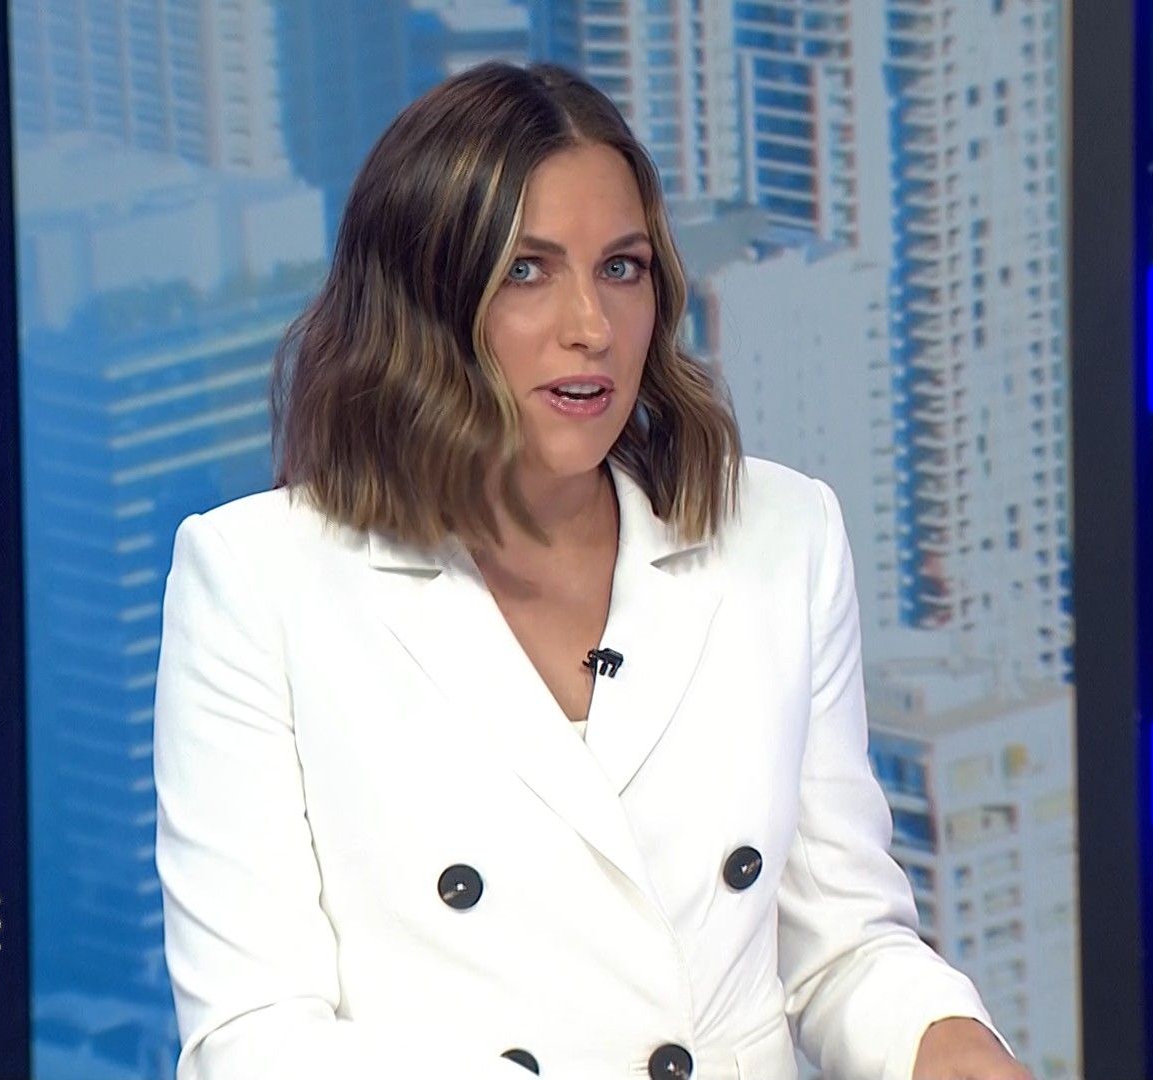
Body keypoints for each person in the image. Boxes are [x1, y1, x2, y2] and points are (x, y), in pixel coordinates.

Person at [152, 60, 1030, 1080]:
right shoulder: (258, 581)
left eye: (621, 268)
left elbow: (840, 947)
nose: (592, 327)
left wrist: (942, 1039)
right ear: (423, 300)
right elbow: (254, 1038)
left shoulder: (782, 536)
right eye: (527, 271)